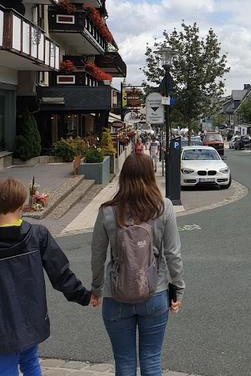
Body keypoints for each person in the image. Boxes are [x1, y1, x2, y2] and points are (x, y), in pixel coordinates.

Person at [91, 153, 185, 376]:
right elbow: (173, 254)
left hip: (116, 295)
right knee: (152, 360)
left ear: (123, 178)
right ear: (151, 175)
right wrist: (178, 290)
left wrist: (96, 289)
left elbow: (97, 254)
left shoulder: (107, 211)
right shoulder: (164, 207)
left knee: (124, 363)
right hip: (155, 292)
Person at [0, 178, 91, 376]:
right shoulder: (37, 235)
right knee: (31, 362)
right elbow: (60, 273)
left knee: (5, 367)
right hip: (31, 318)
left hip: (2, 324)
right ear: (21, 205)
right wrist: (84, 295)